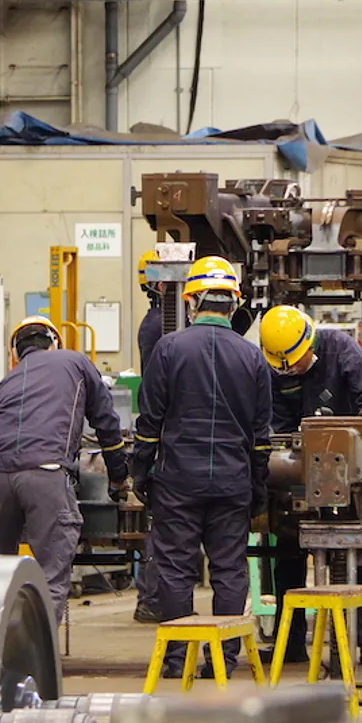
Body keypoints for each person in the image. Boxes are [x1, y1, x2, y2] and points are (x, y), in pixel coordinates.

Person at [131, 256, 272, 678]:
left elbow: (148, 423)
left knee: (175, 567)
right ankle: (224, 660)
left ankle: (178, 659)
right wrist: (257, 487)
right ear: (235, 302)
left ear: (191, 301)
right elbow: (261, 437)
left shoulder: (169, 349)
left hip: (178, 480)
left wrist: (140, 473)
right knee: (229, 568)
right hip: (232, 482)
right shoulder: (253, 358)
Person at [258, 304, 362, 665]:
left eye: (297, 363)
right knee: (288, 552)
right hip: (298, 472)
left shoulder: (341, 349)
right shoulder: (275, 367)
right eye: (285, 366)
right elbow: (274, 423)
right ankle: (292, 642)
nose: (292, 370)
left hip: (350, 469)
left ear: (310, 342)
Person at [0, 315, 128, 621]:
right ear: (55, 342)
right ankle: (38, 660)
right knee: (50, 576)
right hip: (46, 472)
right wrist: (118, 477)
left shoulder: (5, 383)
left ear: (15, 352)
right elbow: (107, 423)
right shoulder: (75, 361)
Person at [133, 249, 167, 623]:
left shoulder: (163, 322)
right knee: (166, 523)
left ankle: (154, 597)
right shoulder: (161, 325)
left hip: (165, 433)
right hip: (168, 436)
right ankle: (153, 598)